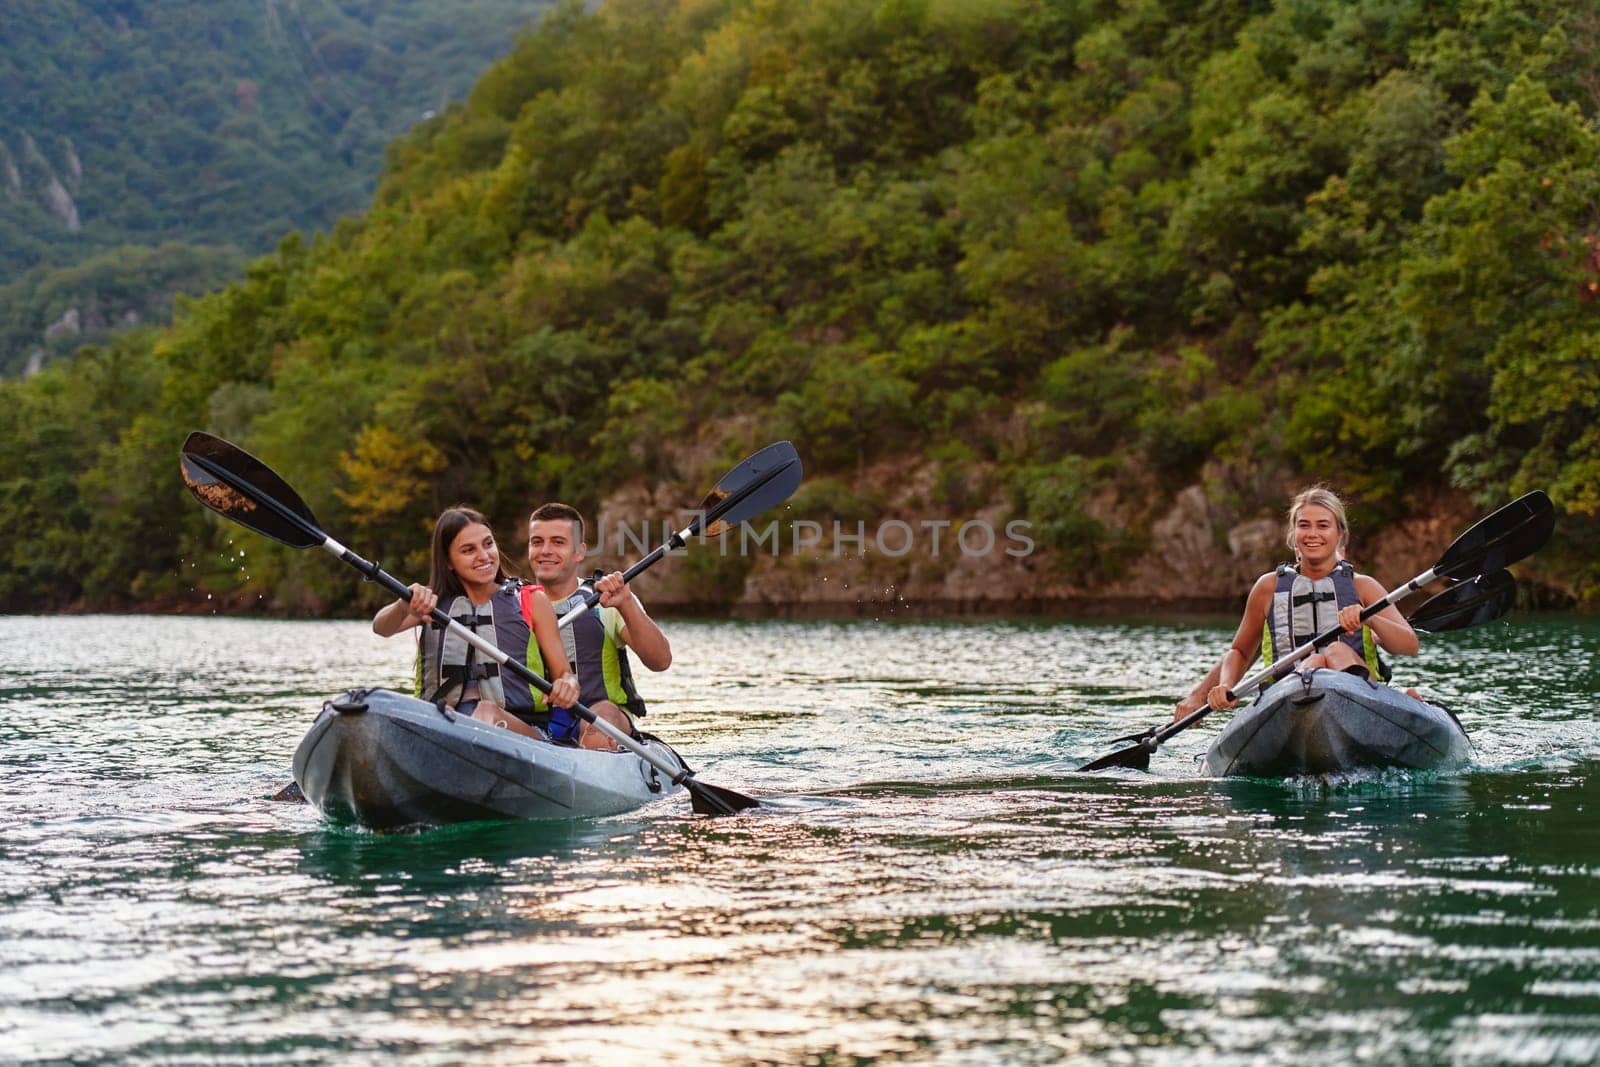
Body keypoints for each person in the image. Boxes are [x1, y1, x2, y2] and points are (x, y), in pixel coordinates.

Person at [1173, 486, 1419, 719]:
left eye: (1323, 525)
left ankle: (1392, 703)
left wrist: (1369, 617)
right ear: (1293, 534)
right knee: (1314, 662)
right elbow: (1240, 651)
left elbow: (1409, 645)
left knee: (1333, 651)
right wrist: (1222, 685)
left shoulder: (1363, 586)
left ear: (1340, 534)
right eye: (1304, 525)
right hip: (1289, 700)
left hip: (1359, 701)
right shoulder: (1267, 588)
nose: (1312, 534)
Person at [372, 506, 580, 737]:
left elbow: (564, 673)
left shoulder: (531, 600)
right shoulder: (432, 604)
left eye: (488, 544)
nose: (484, 556)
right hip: (445, 725)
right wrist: (404, 605)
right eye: (468, 550)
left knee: (487, 713)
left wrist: (567, 685)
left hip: (522, 728)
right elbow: (381, 627)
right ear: (448, 561)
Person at [524, 502, 672, 750]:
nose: (545, 550)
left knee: (601, 715)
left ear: (579, 552)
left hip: (601, 717)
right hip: (537, 722)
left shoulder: (606, 600)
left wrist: (626, 604)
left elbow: (660, 661)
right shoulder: (512, 604)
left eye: (558, 542)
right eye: (537, 542)